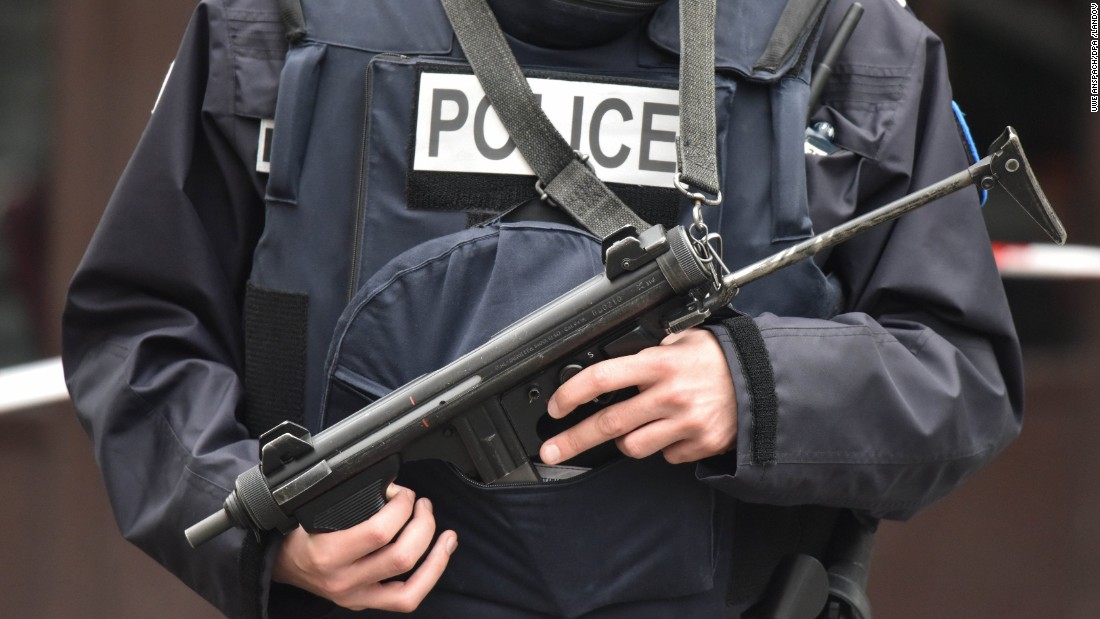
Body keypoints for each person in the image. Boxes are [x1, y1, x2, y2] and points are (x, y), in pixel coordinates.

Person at [62, 0, 1023, 617]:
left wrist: (758, 388)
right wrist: (259, 535)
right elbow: (143, 324)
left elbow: (960, 369)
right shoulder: (280, 20)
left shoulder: (848, 42)